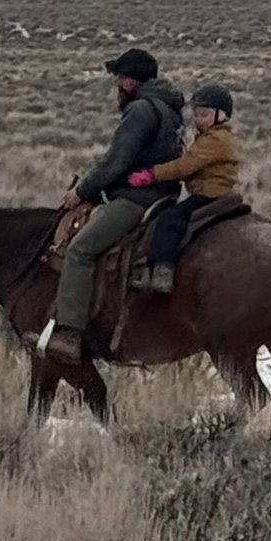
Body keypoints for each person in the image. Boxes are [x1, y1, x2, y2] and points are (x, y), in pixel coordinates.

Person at [40, 48, 184, 363]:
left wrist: (81, 191)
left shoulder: (141, 110)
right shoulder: (169, 109)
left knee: (80, 250)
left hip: (137, 199)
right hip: (164, 196)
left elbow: (116, 162)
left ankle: (69, 334)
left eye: (121, 77)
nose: (118, 82)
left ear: (133, 80)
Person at [127, 83, 241, 293]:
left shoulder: (215, 139)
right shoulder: (216, 137)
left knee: (170, 219)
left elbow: (184, 167)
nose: (198, 120)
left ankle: (163, 271)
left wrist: (151, 174)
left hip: (209, 194)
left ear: (221, 115)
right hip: (215, 191)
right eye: (196, 115)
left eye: (204, 115)